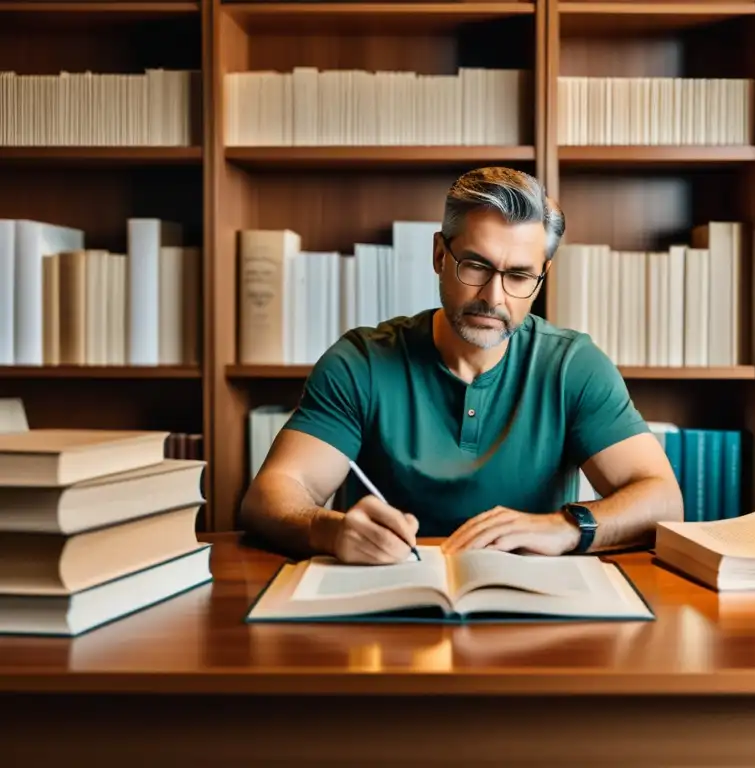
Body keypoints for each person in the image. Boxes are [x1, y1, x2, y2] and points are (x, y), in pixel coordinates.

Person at [239, 166, 684, 565]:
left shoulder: (573, 365)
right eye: (475, 265)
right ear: (439, 256)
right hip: (384, 612)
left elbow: (663, 499)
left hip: (533, 615)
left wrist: (566, 528)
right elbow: (269, 497)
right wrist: (330, 530)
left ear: (541, 276)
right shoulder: (361, 362)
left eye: (519, 276)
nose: (494, 297)